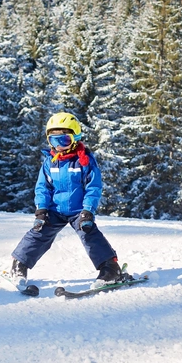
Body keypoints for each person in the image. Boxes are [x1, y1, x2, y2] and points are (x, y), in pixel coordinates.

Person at [10, 112, 131, 289]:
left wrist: (88, 211)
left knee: (89, 234)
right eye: (54, 141)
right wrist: (42, 209)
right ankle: (19, 264)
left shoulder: (85, 161)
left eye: (64, 140)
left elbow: (93, 187)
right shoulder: (50, 162)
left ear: (75, 138)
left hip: (78, 211)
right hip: (55, 209)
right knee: (38, 232)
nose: (59, 146)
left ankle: (110, 269)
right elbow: (42, 187)